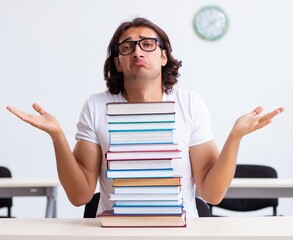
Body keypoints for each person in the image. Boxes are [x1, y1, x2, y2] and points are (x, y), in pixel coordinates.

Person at [6, 17, 284, 217]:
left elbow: (211, 194)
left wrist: (235, 136)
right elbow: (79, 197)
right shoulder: (96, 106)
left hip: (180, 232)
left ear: (164, 56)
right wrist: (57, 136)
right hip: (113, 232)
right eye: (126, 47)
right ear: (118, 62)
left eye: (148, 44)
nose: (137, 51)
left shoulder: (189, 104)